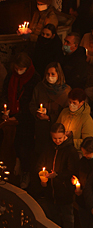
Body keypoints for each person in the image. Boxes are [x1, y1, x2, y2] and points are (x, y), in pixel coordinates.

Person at [37, 123, 79, 228]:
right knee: (52, 215)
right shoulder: (49, 147)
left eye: (60, 138)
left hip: (64, 190)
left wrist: (58, 175)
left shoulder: (70, 151)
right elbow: (41, 162)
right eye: (55, 138)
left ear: (65, 135)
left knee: (67, 216)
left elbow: (72, 170)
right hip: (51, 190)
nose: (58, 141)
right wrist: (43, 175)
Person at [1, 53, 40, 189]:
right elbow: (5, 93)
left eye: (21, 68)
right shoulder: (11, 76)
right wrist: (5, 110)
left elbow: (31, 102)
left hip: (26, 118)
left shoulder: (35, 79)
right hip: (11, 113)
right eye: (16, 68)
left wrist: (18, 117)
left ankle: (25, 171)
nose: (18, 71)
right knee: (9, 143)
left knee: (24, 147)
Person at [30, 62, 71, 157]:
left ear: (58, 75)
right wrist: (37, 113)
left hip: (57, 131)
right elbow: (32, 104)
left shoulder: (66, 91)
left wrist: (49, 117)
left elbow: (67, 112)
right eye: (48, 74)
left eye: (53, 74)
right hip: (41, 130)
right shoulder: (40, 88)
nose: (50, 76)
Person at [57, 88, 93, 152]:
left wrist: (69, 141)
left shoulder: (86, 119)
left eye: (74, 103)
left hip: (76, 151)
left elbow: (88, 142)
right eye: (70, 102)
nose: (71, 104)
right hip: (61, 148)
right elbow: (57, 127)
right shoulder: (64, 112)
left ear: (81, 103)